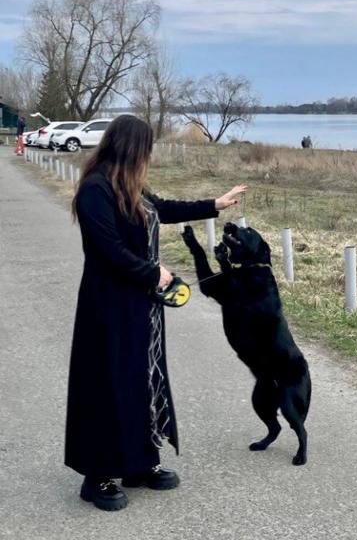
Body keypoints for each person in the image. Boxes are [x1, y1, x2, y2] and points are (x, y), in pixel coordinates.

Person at [65, 115, 246, 511]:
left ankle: (138, 463)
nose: (150, 155)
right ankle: (97, 476)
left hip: (142, 305)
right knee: (109, 383)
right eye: (146, 148)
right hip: (107, 307)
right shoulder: (95, 189)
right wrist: (154, 272)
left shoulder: (131, 185)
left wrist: (214, 204)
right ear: (132, 148)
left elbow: (162, 208)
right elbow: (108, 250)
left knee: (143, 379)